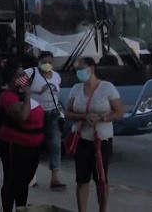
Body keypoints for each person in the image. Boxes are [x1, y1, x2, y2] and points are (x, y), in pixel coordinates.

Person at [66, 57, 123, 212]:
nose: (79, 72)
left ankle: (102, 209)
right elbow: (68, 113)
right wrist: (83, 117)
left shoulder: (107, 87)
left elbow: (119, 112)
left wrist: (102, 118)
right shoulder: (76, 89)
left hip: (102, 140)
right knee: (82, 180)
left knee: (101, 179)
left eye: (81, 68)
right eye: (77, 69)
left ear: (91, 69)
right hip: (82, 139)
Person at [0, 59, 44, 212]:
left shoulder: (21, 94)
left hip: (32, 146)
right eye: (19, 74)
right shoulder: (7, 96)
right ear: (11, 78)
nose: (24, 77)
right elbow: (23, 116)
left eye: (24, 73)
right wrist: (28, 93)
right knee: (12, 181)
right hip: (14, 145)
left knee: (24, 182)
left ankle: (21, 208)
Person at [25, 51, 66, 189]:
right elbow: (17, 82)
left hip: (52, 113)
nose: (47, 65)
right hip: (35, 114)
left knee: (55, 144)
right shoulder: (32, 73)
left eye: (49, 62)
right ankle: (31, 177)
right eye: (44, 62)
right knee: (33, 144)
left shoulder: (57, 77)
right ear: (39, 62)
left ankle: (55, 178)